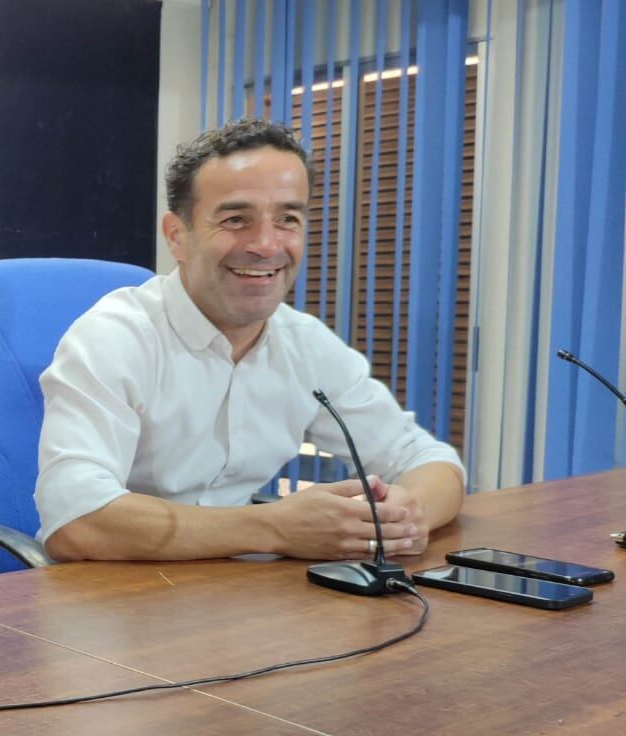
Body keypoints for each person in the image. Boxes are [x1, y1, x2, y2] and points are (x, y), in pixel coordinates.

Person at [35, 118, 464, 563]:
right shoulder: (117, 337)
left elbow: (427, 458)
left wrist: (404, 517)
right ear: (177, 236)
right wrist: (276, 528)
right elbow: (77, 520)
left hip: (240, 588)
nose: (266, 245)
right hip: (113, 589)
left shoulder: (305, 344)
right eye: (236, 219)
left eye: (288, 219)